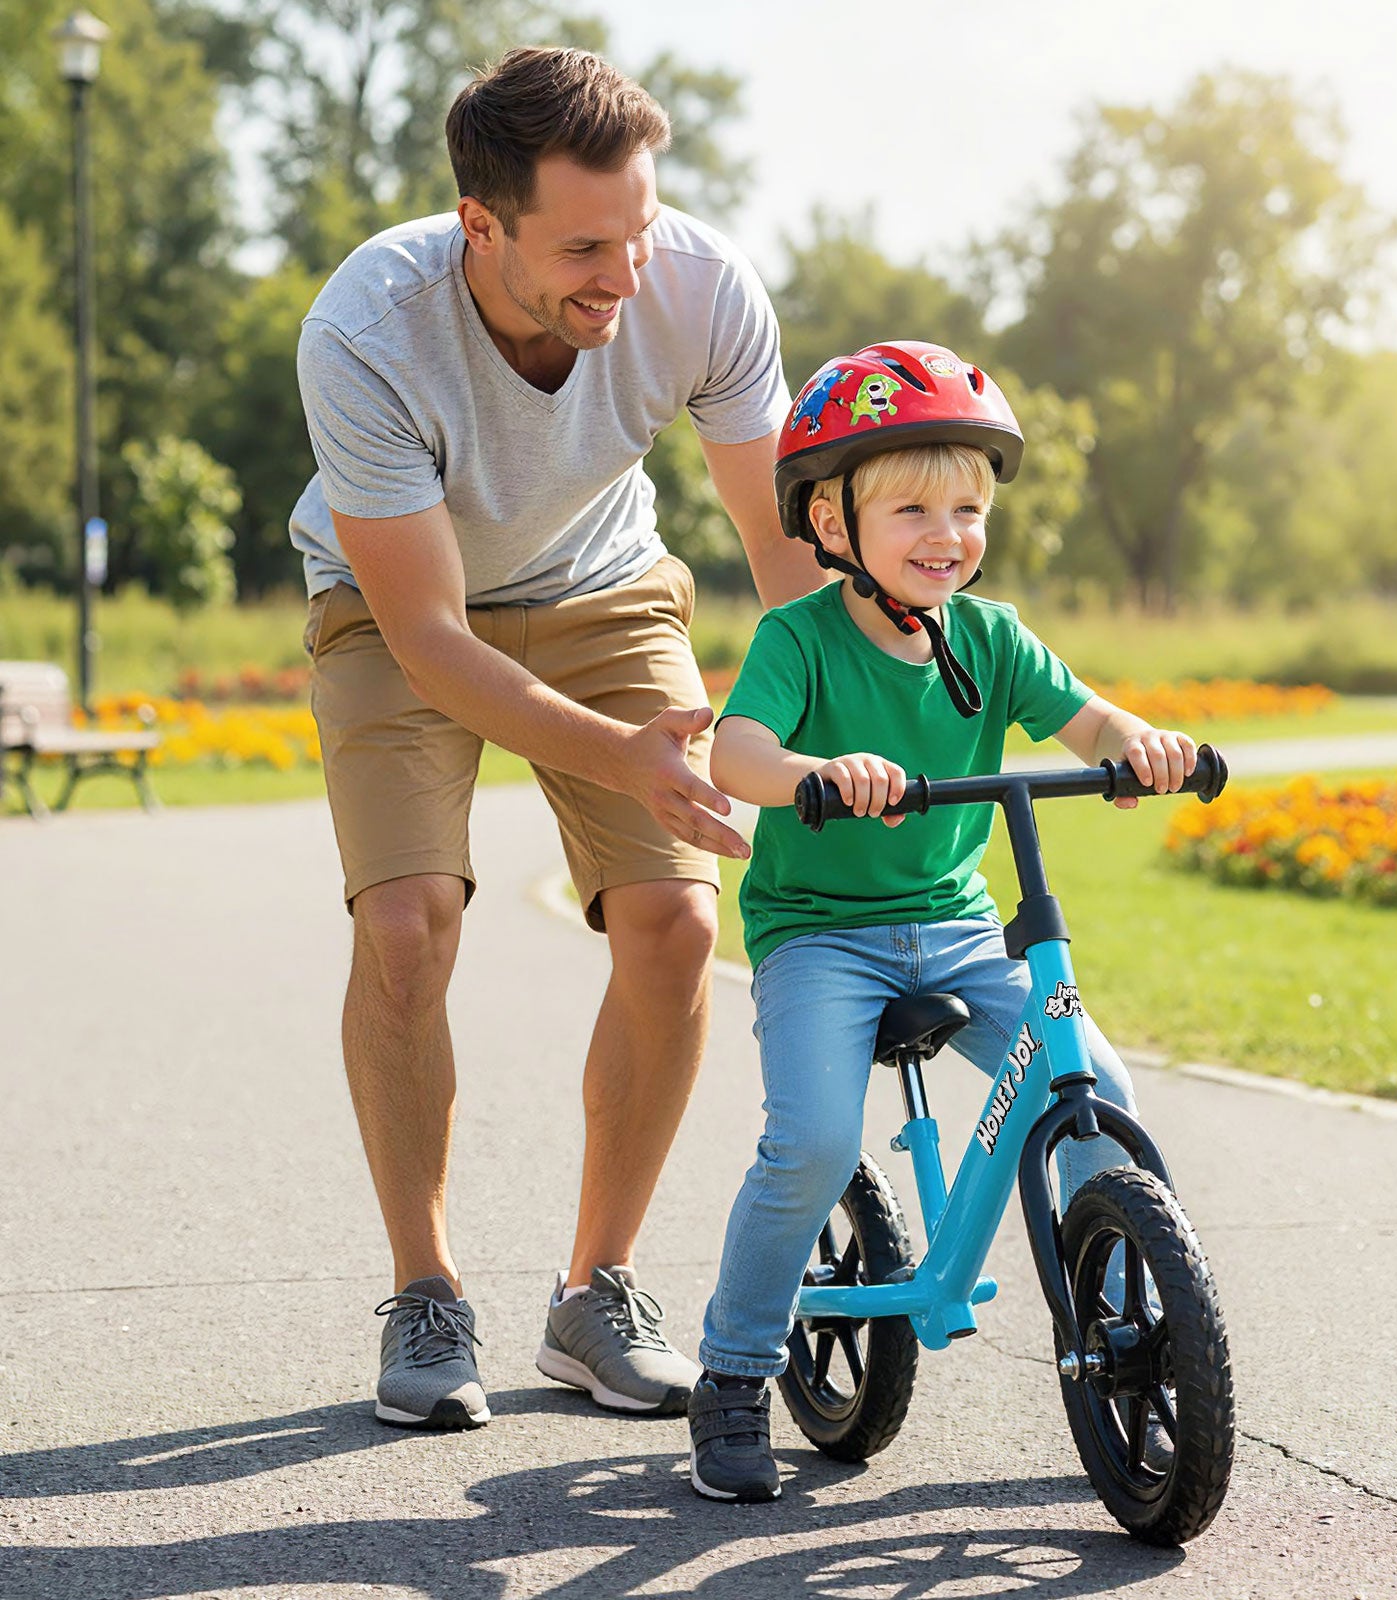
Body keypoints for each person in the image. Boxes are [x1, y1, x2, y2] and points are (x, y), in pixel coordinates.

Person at [289, 46, 819, 1431]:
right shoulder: (368, 329)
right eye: (584, 246)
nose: (623, 274)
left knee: (679, 926)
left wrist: (865, 729)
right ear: (482, 224)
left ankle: (597, 1291)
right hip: (399, 608)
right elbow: (431, 642)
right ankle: (426, 1293)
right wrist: (625, 755)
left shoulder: (698, 284)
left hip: (605, 586)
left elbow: (784, 556)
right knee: (405, 925)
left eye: (636, 232)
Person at [683, 342, 1199, 1502]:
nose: (945, 533)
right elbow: (738, 751)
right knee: (812, 1140)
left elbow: (1088, 718)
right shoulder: (801, 639)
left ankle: (1127, 1332)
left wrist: (1138, 748)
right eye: (911, 505)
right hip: (821, 934)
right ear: (830, 519)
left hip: (960, 923)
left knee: (1099, 1101)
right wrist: (820, 766)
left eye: (967, 507)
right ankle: (732, 1369)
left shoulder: (992, 636)